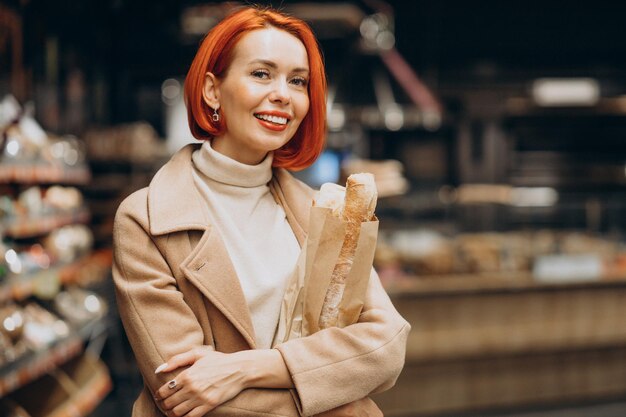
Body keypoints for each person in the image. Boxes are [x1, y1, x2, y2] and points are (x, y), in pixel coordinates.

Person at [112, 6, 410, 417]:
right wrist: (345, 402)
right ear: (212, 91)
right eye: (261, 74)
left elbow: (387, 346)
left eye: (298, 81)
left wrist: (249, 369)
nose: (283, 94)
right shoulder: (145, 219)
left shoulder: (322, 211)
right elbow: (181, 391)